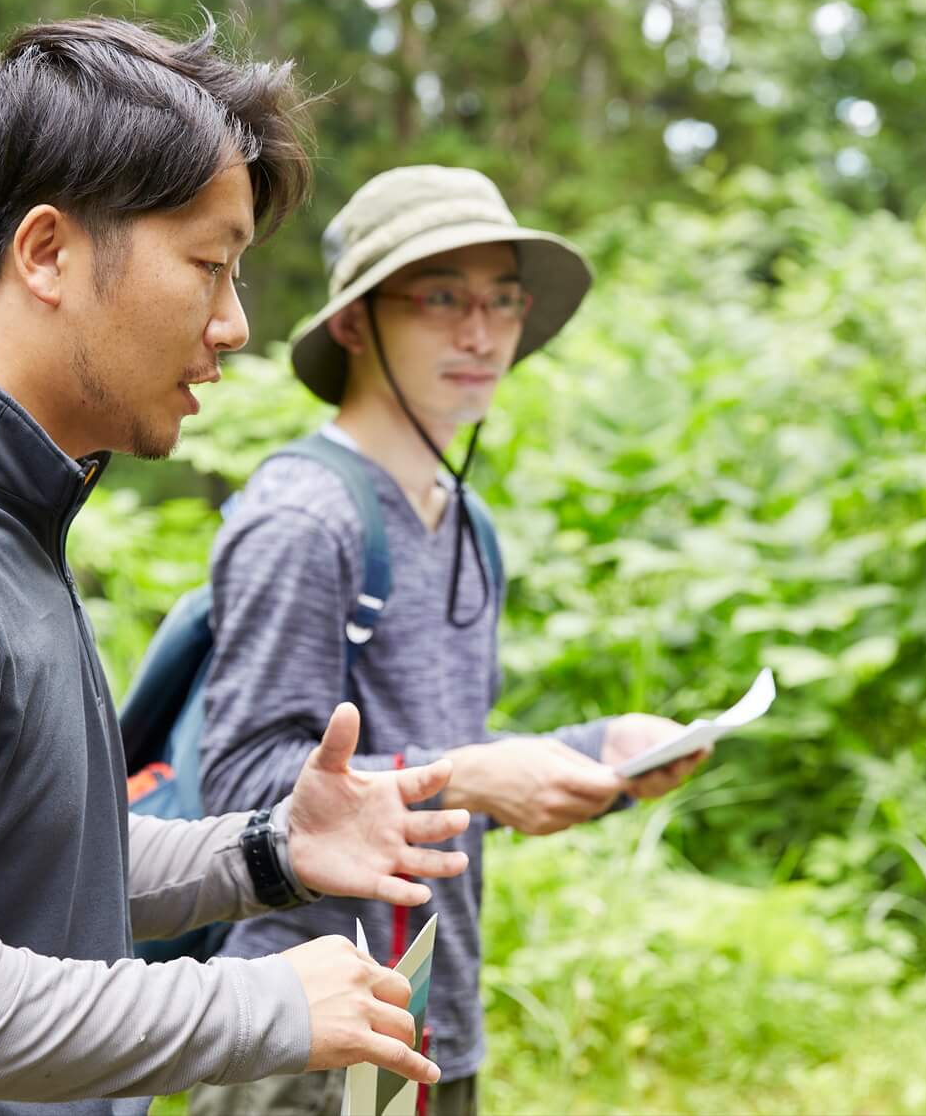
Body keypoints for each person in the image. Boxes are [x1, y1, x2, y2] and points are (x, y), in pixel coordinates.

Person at [0, 18, 476, 1116]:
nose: (234, 324)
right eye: (208, 265)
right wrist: (261, 1004)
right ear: (47, 253)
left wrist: (270, 850)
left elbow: (37, 861)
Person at [190, 166, 708, 1116]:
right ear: (355, 323)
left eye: (504, 300)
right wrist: (471, 776)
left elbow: (440, 759)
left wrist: (600, 753)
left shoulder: (466, 521)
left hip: (432, 1024)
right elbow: (243, 788)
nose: (482, 333)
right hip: (308, 1038)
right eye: (441, 298)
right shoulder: (304, 517)